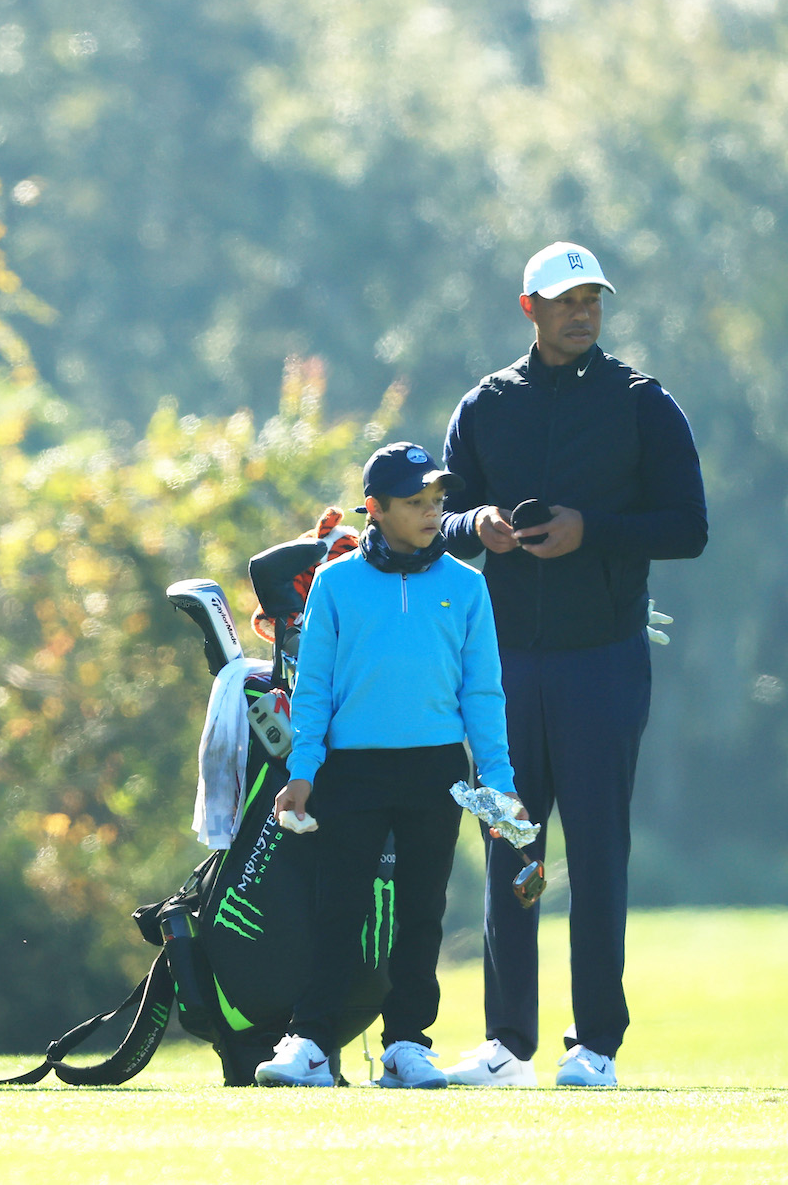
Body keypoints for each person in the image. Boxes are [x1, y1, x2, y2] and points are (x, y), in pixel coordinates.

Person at [437, 242, 707, 1088]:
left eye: (592, 297)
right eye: (564, 299)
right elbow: (432, 519)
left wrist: (595, 529)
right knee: (513, 846)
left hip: (604, 662)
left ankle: (596, 1044)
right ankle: (508, 1043)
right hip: (506, 664)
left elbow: (688, 528)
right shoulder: (486, 405)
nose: (581, 311)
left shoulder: (642, 404)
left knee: (595, 850)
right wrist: (472, 524)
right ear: (530, 308)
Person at [253, 442, 523, 1089]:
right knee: (339, 908)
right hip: (351, 769)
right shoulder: (336, 582)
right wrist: (303, 770)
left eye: (437, 500)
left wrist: (501, 784)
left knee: (421, 910)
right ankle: (312, 1041)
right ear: (374, 509)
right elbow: (314, 687)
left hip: (435, 769)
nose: (432, 512)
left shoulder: (467, 584)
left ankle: (407, 1042)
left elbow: (482, 692)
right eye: (415, 502)